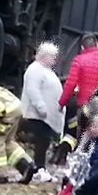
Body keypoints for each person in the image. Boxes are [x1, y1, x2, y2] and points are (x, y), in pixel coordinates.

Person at [20, 42, 65, 181]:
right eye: (53, 56)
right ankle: (39, 169)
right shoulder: (35, 70)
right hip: (38, 115)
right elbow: (32, 89)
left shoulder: (45, 70)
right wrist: (41, 107)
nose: (55, 59)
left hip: (45, 117)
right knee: (41, 142)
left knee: (44, 142)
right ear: (44, 56)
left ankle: (41, 168)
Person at [59, 35, 98, 109]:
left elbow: (70, 84)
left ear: (82, 47)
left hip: (85, 106)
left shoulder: (79, 60)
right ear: (97, 45)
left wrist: (62, 103)